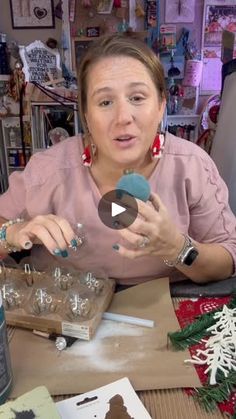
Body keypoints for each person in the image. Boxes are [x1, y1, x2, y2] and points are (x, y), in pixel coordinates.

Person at [0, 34, 235, 285]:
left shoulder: (191, 167)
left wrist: (178, 248)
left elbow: (227, 260)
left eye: (137, 98)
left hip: (167, 310)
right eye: (105, 102)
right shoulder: (48, 169)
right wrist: (12, 233)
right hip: (64, 308)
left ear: (160, 106)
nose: (123, 117)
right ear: (86, 114)